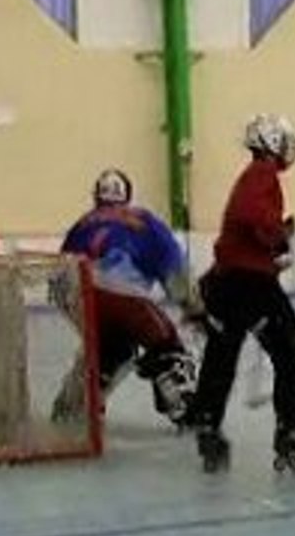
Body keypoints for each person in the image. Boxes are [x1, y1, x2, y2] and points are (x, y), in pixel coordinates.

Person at [189, 114, 295, 473]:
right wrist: (279, 234)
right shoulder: (263, 174)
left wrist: (271, 245)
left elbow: (243, 225)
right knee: (293, 357)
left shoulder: (251, 175)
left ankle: (208, 425)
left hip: (226, 280)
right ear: (273, 142)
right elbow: (254, 216)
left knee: (222, 356)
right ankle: (291, 434)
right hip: (250, 284)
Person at [50, 168, 200, 428]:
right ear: (128, 195)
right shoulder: (145, 220)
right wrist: (192, 306)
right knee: (167, 345)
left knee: (110, 349)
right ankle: (180, 404)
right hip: (126, 299)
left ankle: (75, 405)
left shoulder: (81, 224)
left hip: (82, 298)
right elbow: (174, 269)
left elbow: (59, 280)